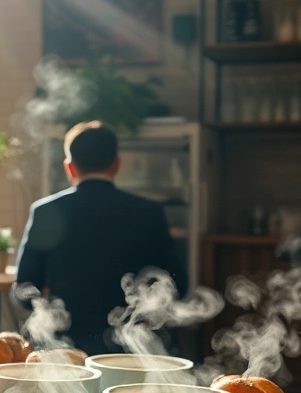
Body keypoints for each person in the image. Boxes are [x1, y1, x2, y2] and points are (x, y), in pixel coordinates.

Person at [15, 121, 185, 355]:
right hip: (134, 347)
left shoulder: (46, 211)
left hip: (65, 348)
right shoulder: (148, 212)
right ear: (116, 164)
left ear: (70, 167)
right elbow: (179, 284)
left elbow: (25, 289)